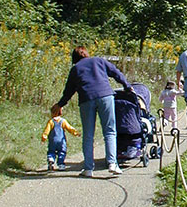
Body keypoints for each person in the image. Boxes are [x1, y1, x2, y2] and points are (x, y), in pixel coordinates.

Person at [51, 46, 133, 178]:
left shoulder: (75, 69)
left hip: (86, 99)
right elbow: (116, 72)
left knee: (88, 135)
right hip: (105, 96)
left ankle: (88, 168)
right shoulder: (99, 61)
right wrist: (127, 86)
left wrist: (60, 104)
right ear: (86, 54)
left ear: (74, 58)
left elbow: (69, 91)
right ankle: (112, 163)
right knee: (110, 131)